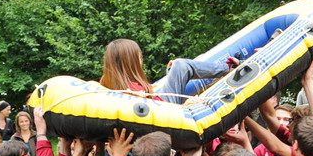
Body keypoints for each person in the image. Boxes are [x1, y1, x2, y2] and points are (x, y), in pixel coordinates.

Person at [99, 38, 235, 105]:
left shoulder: (109, 84)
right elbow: (159, 107)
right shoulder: (134, 90)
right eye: (139, 58)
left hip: (161, 109)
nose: (141, 62)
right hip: (167, 114)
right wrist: (186, 105)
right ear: (131, 62)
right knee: (181, 65)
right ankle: (227, 67)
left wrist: (170, 75)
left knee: (176, 68)